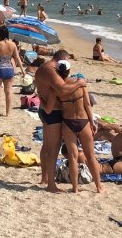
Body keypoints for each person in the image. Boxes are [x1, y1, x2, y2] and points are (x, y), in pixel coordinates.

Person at [45, 60, 103, 193]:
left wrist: (41, 100)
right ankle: (99, 187)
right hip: (83, 121)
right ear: (69, 70)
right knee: (90, 156)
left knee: (72, 157)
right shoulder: (81, 84)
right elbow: (87, 105)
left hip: (68, 122)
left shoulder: (57, 89)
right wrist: (92, 121)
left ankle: (75, 188)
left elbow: (48, 110)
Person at [34, 50, 87, 193]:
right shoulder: (51, 69)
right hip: (53, 113)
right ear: (62, 59)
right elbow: (62, 90)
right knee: (53, 149)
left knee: (46, 146)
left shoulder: (44, 67)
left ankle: (45, 177)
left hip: (45, 110)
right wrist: (79, 83)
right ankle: (51, 184)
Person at [0, 26, 25, 117]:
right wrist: (23, 71)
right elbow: (17, 58)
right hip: (9, 69)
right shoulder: (13, 44)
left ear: (0, 34)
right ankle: (8, 113)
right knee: (8, 92)